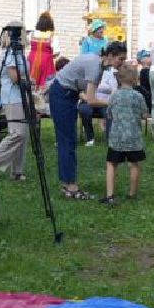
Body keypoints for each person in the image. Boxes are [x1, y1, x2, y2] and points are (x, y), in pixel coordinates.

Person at [48, 40, 128, 199]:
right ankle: (71, 187)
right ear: (110, 55)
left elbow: (87, 92)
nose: (122, 62)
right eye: (120, 58)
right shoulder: (95, 65)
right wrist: (114, 102)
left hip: (67, 94)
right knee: (67, 142)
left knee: (68, 141)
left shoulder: (100, 64)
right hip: (61, 95)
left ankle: (67, 183)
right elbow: (91, 100)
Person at [0, 38, 29, 183]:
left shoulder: (20, 53)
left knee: (23, 135)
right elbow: (14, 77)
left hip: (20, 97)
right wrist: (28, 79)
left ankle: (17, 171)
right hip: (13, 97)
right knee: (17, 134)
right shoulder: (11, 54)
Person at [103, 61, 149, 204]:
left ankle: (110, 195)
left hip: (117, 138)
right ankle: (132, 193)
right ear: (135, 79)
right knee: (134, 164)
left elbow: (109, 114)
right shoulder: (138, 96)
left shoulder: (114, 96)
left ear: (119, 78)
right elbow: (144, 115)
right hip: (133, 137)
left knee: (111, 164)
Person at [26, 12, 58, 90]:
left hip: (32, 59)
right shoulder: (52, 35)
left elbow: (27, 46)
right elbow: (56, 52)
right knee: (46, 83)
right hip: (46, 61)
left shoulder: (32, 34)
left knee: (31, 80)